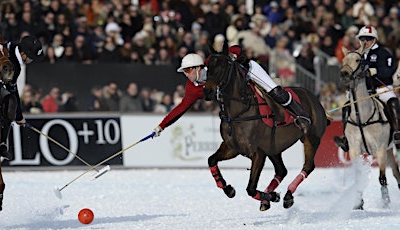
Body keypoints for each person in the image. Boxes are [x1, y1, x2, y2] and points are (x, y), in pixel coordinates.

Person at [152, 47, 311, 138]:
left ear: (198, 67)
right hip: (241, 96)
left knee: (274, 91)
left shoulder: (212, 63)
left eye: (187, 70)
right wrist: (161, 126)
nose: (186, 74)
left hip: (249, 72)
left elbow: (235, 48)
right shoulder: (192, 88)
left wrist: (234, 54)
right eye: (184, 71)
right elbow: (180, 109)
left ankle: (302, 115)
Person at [334, 25, 398, 152]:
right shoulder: (358, 55)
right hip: (364, 91)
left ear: (374, 39)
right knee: (347, 107)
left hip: (381, 88)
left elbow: (390, 69)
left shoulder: (383, 53)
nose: (364, 41)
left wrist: (377, 71)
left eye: (368, 38)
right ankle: (346, 138)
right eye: (362, 38)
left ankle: (397, 132)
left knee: (393, 103)